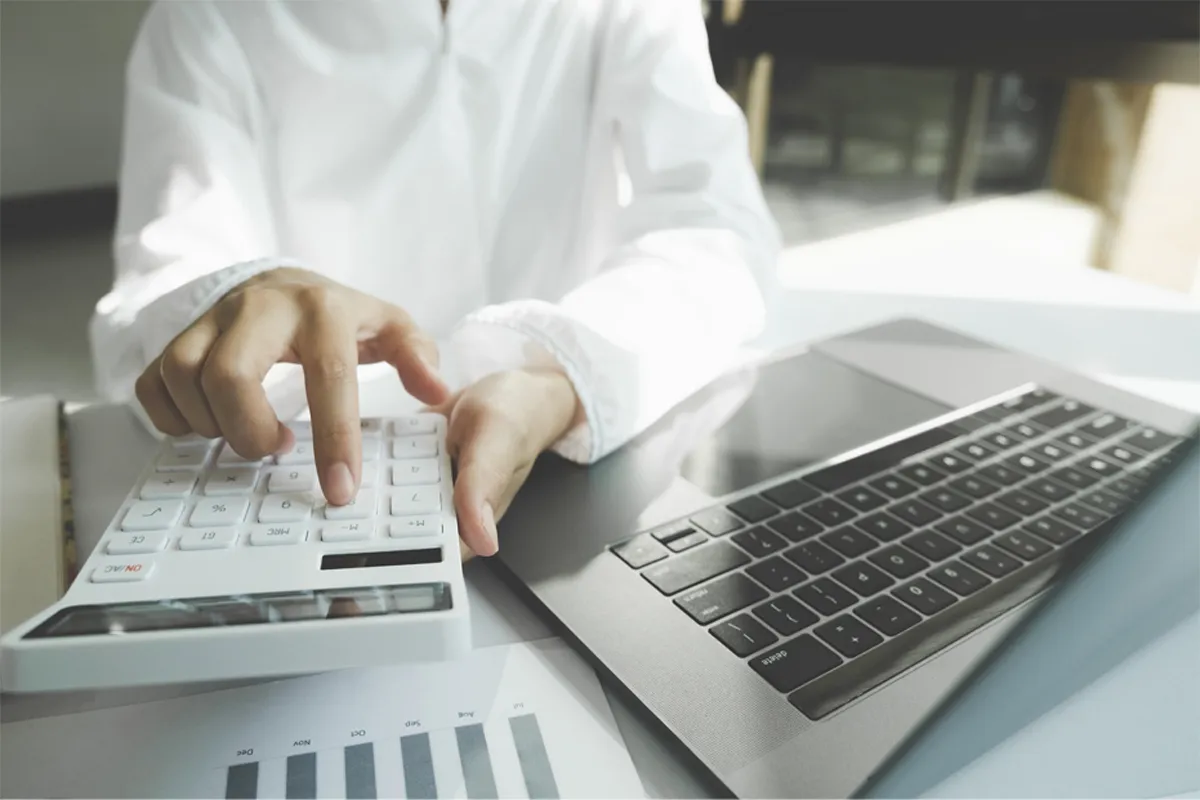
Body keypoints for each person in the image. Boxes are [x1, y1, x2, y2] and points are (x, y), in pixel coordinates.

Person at [90, 0, 781, 559]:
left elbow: (721, 231)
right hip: (312, 503)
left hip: (581, 469)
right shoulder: (205, 19)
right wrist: (238, 296)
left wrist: (561, 381)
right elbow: (155, 302)